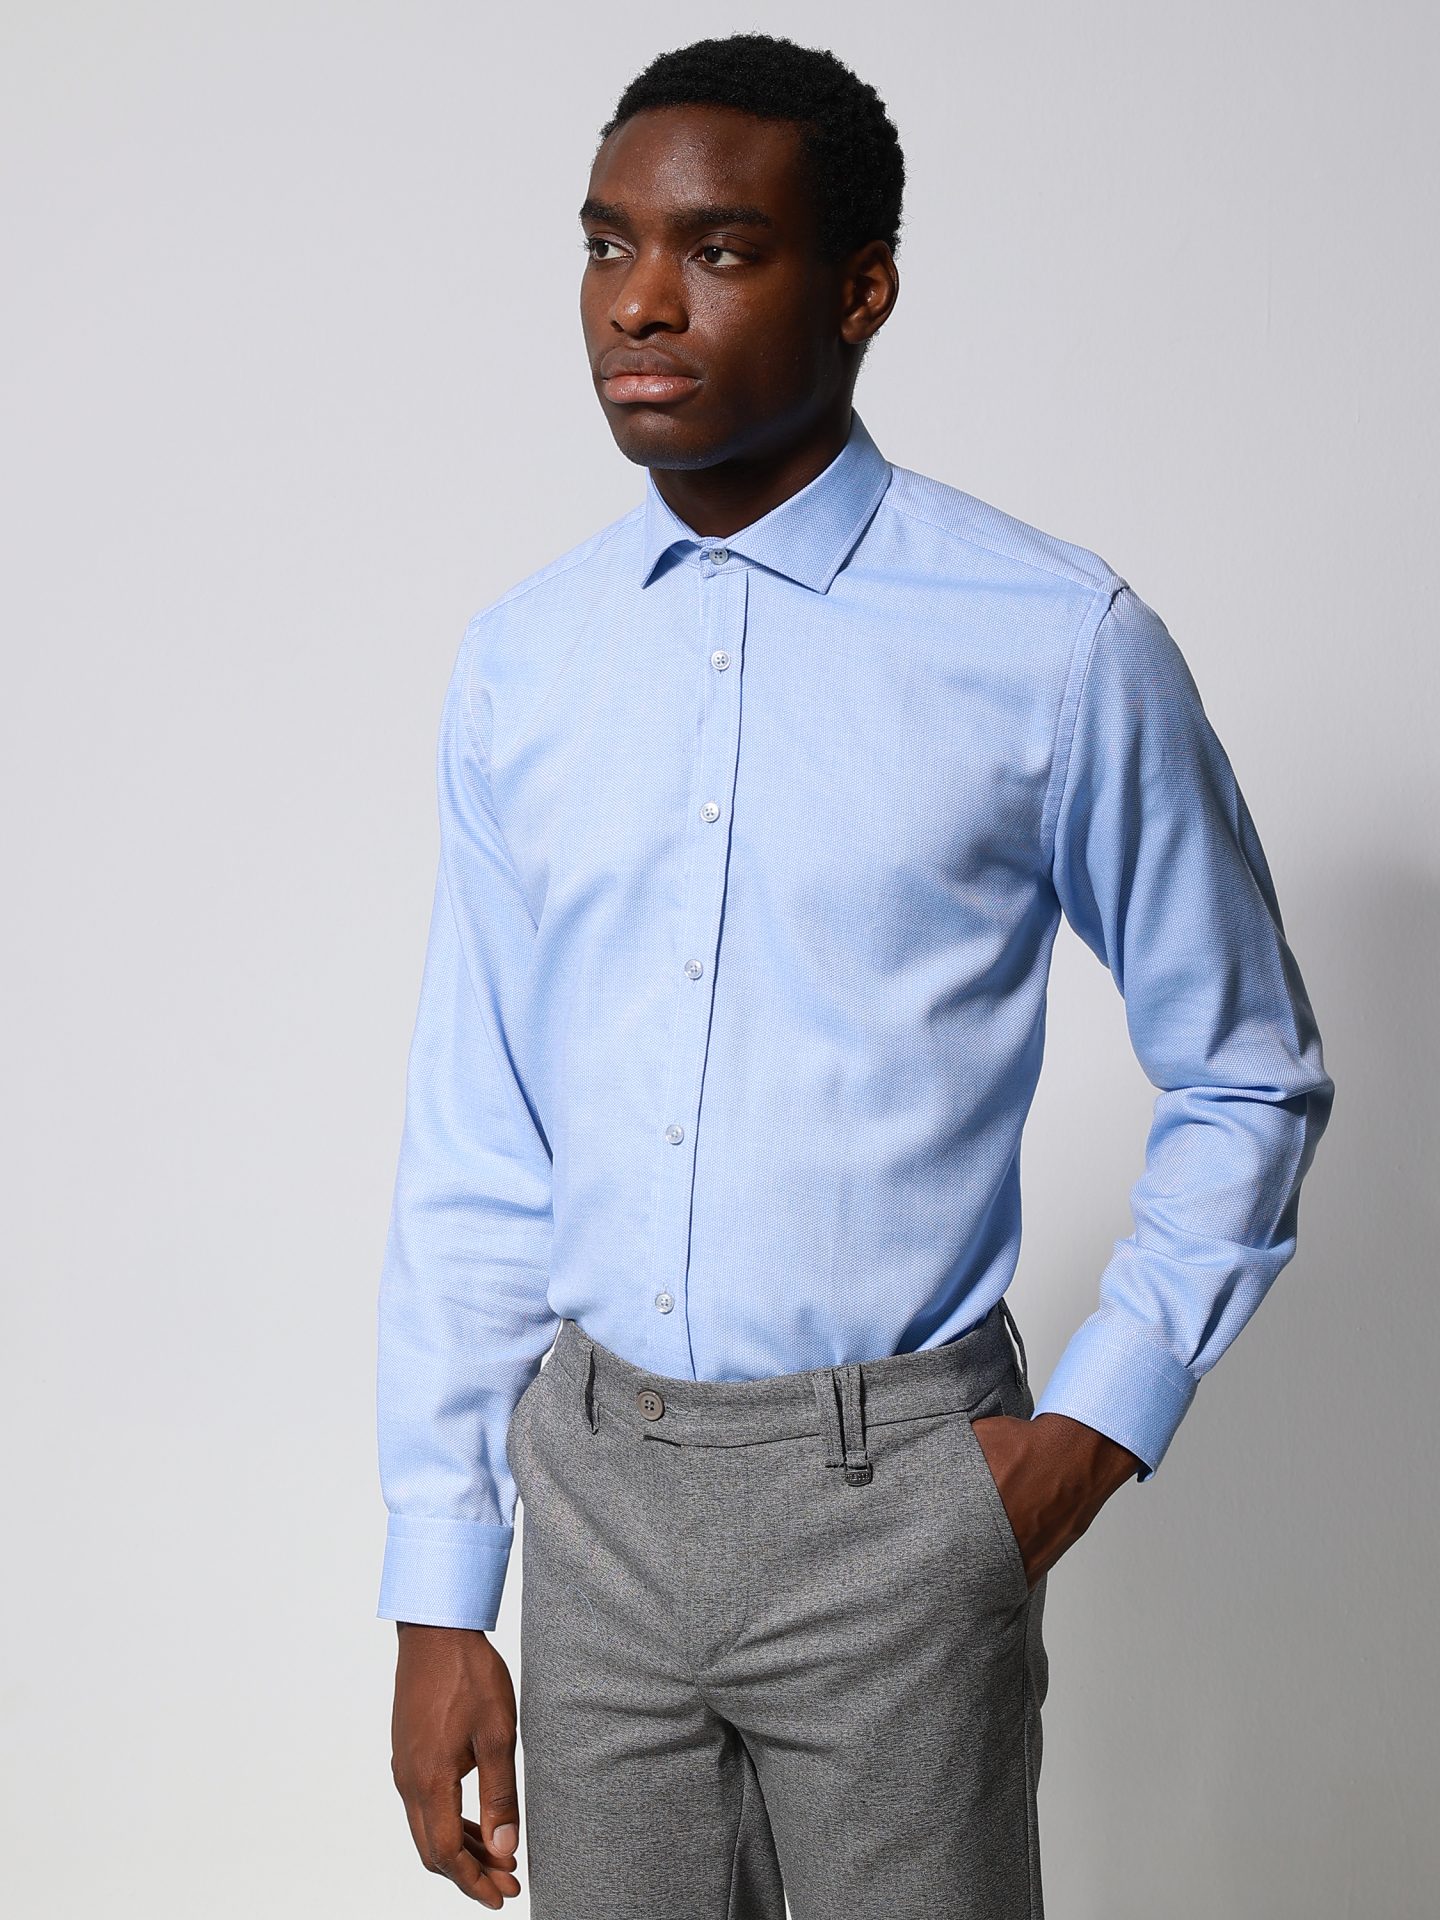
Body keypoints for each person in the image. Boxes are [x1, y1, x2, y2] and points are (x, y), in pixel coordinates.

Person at [375, 31, 1334, 1918]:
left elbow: (1248, 1071)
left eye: (721, 250)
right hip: (594, 1495)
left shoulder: (1055, 643)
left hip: (898, 1498)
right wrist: (438, 1582)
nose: (641, 301)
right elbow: (480, 1141)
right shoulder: (524, 666)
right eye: (608, 243)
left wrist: (1085, 1440)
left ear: (862, 290)